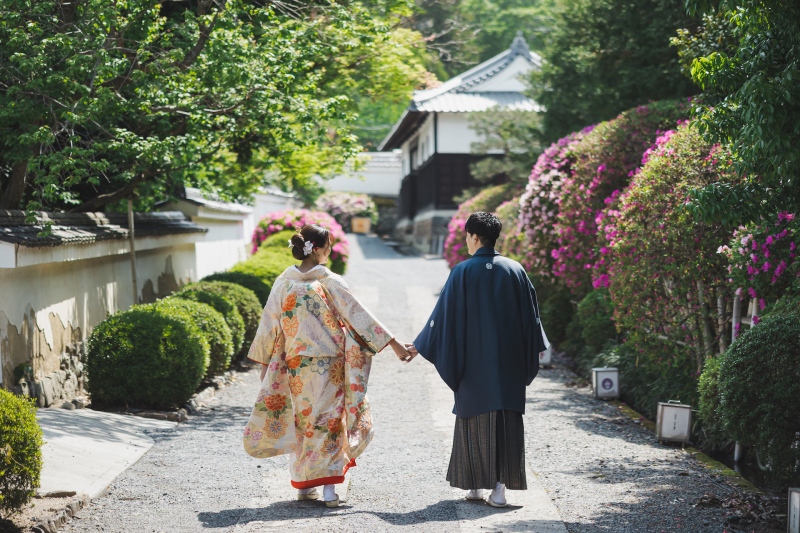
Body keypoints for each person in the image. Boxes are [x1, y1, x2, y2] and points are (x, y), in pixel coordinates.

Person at [243, 224, 413, 507]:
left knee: (303, 423)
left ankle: (303, 485)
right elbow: (359, 316)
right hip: (330, 365)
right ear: (318, 249)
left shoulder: (283, 282)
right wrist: (393, 343)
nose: (330, 251)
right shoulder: (330, 280)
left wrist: (265, 365)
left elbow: (268, 326)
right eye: (329, 246)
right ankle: (330, 489)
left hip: (295, 365)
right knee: (329, 423)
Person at [407, 212, 549, 508]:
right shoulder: (515, 270)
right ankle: (498, 491)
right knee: (505, 422)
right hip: (508, 362)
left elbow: (442, 319)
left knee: (473, 421)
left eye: (466, 236)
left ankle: (474, 487)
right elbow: (532, 319)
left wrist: (419, 346)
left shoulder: (462, 271)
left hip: (472, 362)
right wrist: (534, 350)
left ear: (473, 236)